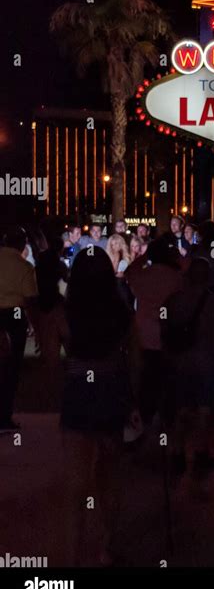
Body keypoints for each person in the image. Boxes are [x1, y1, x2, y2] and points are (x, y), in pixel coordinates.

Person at [61, 247, 139, 566]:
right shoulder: (121, 312)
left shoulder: (66, 312)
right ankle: (105, 546)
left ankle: (71, 554)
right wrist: (133, 399)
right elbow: (135, 359)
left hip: (78, 389)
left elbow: (57, 360)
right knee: (110, 474)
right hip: (111, 390)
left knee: (76, 482)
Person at [165, 258, 214, 475]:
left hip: (181, 361)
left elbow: (164, 330)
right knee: (205, 408)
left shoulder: (173, 301)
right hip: (209, 359)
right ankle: (200, 452)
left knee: (181, 408)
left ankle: (177, 451)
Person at [126, 238, 183, 425]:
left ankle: (145, 418)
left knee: (146, 379)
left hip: (143, 334)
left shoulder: (143, 276)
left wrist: (143, 258)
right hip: (169, 335)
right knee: (167, 379)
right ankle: (166, 420)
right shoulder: (176, 277)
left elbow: (129, 272)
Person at [0, 227, 39, 432]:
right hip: (14, 316)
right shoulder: (24, 267)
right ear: (23, 244)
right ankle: (3, 417)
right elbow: (30, 300)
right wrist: (35, 327)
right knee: (11, 368)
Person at [35, 237, 69, 390]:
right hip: (54, 303)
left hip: (42, 304)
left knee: (49, 344)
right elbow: (67, 277)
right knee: (66, 335)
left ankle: (50, 378)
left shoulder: (40, 263)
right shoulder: (58, 263)